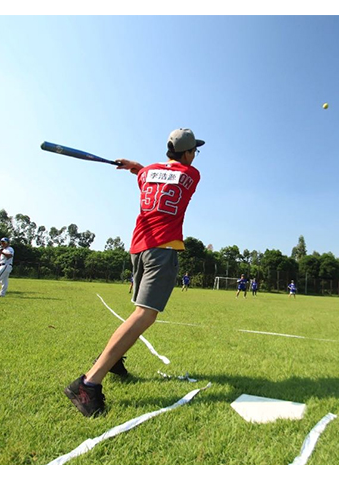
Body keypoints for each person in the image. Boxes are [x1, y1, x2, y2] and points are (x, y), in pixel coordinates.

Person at [64, 127, 204, 418]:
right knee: (145, 314)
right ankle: (88, 383)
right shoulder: (192, 175)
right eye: (194, 151)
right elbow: (171, 173)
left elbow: (148, 172)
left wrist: (136, 166)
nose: (195, 156)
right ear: (188, 153)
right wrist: (135, 166)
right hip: (162, 249)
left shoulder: (148, 173)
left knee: (138, 313)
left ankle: (114, 360)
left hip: (138, 248)